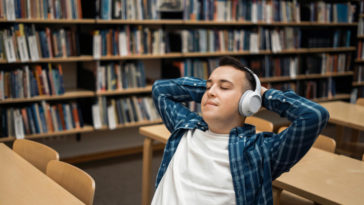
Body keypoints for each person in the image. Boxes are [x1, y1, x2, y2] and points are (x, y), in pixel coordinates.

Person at [151, 56, 329, 205]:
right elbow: (160, 90)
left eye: (225, 87)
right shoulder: (186, 126)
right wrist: (211, 90)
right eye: (208, 87)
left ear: (248, 102)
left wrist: (264, 96)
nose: (211, 92)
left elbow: (314, 115)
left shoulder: (259, 151)